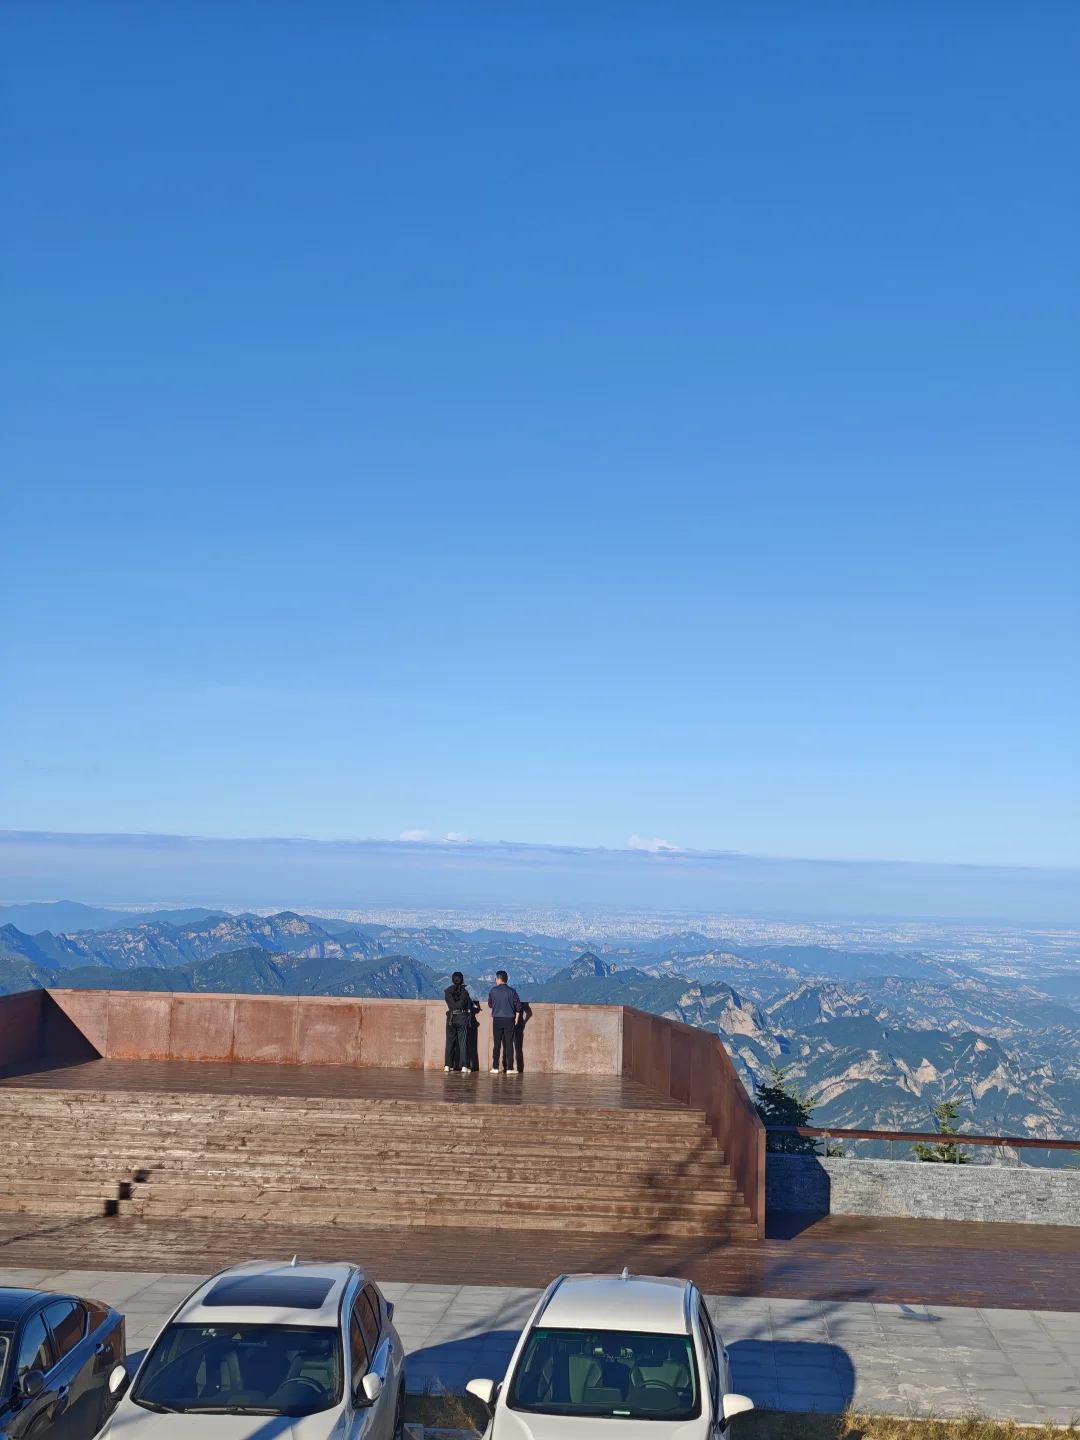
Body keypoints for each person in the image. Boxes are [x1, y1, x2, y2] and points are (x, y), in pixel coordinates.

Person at [488, 969, 522, 1075]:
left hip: (497, 1020)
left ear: (498, 979)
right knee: (509, 1044)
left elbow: (490, 1004)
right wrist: (516, 1018)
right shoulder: (512, 991)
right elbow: (519, 1007)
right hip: (509, 1020)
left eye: (495, 979)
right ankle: (509, 1068)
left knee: (497, 1044)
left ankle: (495, 1067)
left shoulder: (493, 990)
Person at [444, 971, 472, 1073]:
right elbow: (468, 1004)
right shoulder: (464, 992)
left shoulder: (447, 992)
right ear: (462, 980)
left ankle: (447, 1065)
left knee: (449, 1042)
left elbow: (451, 1004)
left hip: (451, 1018)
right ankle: (464, 1066)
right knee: (463, 1042)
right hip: (462, 1018)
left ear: (452, 980)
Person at [513, 1000, 532, 1075]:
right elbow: (529, 1013)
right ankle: (519, 1068)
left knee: (507, 1047)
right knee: (518, 1048)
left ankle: (508, 1067)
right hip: (519, 1025)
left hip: (508, 1024)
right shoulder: (522, 1000)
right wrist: (524, 1022)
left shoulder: (508, 995)